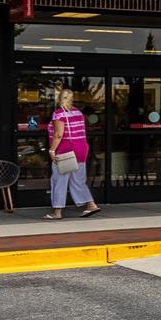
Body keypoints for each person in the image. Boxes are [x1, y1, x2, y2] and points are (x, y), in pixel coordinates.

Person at [45, 85, 101, 220]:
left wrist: (52, 150)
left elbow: (58, 134)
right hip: (81, 149)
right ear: (72, 99)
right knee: (78, 181)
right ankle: (91, 205)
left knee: (59, 181)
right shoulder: (78, 113)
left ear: (59, 99)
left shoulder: (59, 113)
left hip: (65, 150)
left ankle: (57, 212)